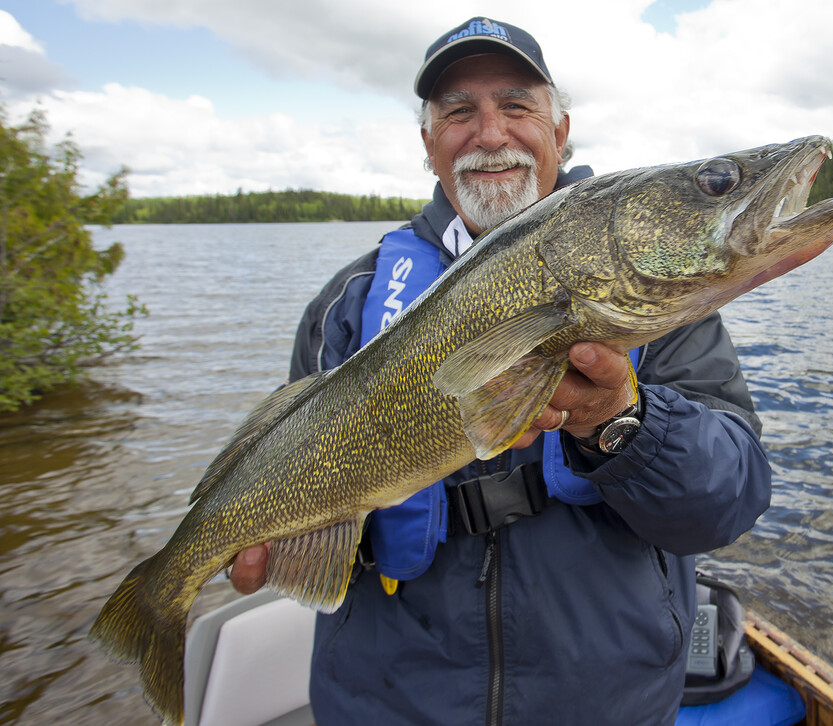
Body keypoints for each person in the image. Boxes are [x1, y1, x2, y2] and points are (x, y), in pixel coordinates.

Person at [230, 17, 772, 726]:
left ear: (561, 129)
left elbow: (726, 504)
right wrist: (278, 535)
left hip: (604, 703)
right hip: (390, 704)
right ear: (429, 145)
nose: (490, 134)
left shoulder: (663, 299)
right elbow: (295, 465)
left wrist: (622, 423)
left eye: (516, 106)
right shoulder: (350, 304)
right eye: (459, 112)